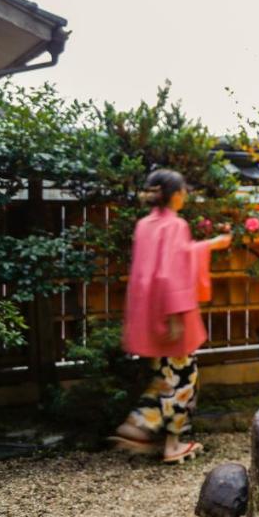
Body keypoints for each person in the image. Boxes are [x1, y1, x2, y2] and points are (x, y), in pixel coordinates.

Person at [109, 169, 231, 463]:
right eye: (185, 191)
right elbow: (170, 273)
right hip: (172, 316)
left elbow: (169, 261)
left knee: (165, 377)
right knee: (183, 379)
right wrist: (176, 315)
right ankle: (162, 438)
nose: (186, 196)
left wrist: (212, 244)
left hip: (150, 316)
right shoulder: (175, 226)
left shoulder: (145, 226)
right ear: (176, 194)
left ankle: (141, 425)